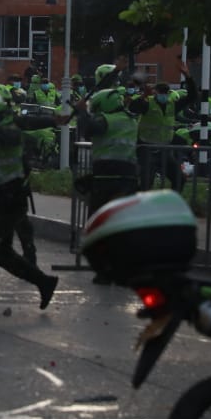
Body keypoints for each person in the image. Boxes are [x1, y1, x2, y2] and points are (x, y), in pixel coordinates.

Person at [0, 88, 60, 315]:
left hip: (9, 196)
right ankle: (43, 282)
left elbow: (5, 136)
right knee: (0, 251)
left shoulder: (9, 127)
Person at [74, 88, 138, 283]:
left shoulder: (107, 120)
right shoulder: (130, 119)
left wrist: (82, 112)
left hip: (106, 180)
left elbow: (87, 129)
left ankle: (104, 271)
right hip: (128, 179)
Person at [129, 75, 188, 191]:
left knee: (179, 179)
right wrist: (144, 96)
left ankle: (170, 206)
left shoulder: (172, 105)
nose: (164, 95)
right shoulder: (148, 103)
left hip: (164, 150)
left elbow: (192, 97)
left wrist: (188, 77)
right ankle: (139, 205)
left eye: (166, 92)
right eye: (161, 92)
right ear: (155, 93)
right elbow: (133, 107)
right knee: (147, 181)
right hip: (146, 148)